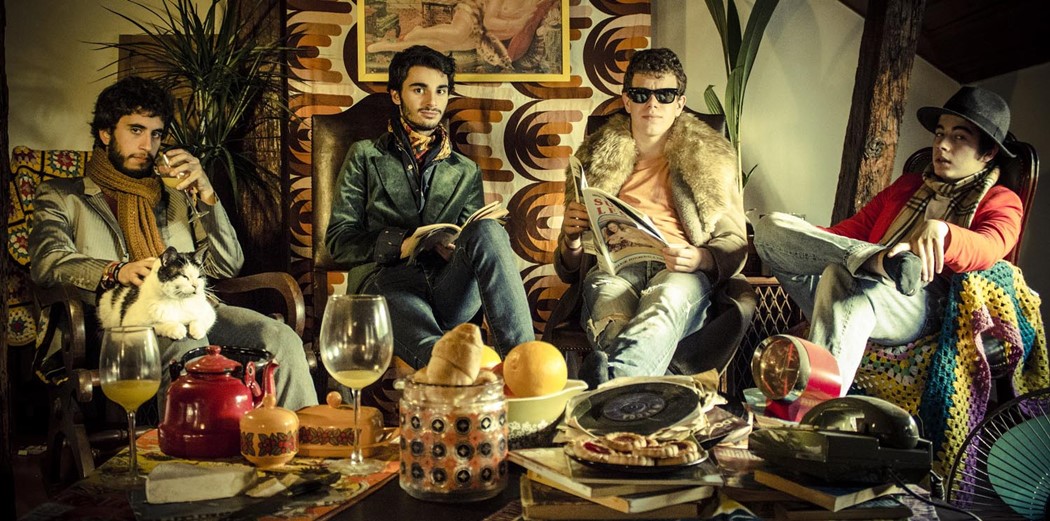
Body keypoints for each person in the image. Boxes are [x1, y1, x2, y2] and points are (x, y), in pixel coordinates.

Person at [29, 76, 317, 411]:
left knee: (281, 339)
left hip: (191, 309)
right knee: (185, 343)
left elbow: (226, 264)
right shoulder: (63, 195)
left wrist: (207, 194)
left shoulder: (174, 195)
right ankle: (195, 442)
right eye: (135, 130)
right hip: (113, 323)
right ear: (106, 133)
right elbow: (47, 262)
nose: (147, 145)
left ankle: (296, 440)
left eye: (156, 134)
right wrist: (115, 270)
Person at [753, 86, 1022, 393]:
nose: (942, 145)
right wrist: (795, 236)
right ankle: (881, 261)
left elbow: (991, 247)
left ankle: (815, 402)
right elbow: (843, 236)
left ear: (988, 153)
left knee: (842, 275)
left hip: (921, 302)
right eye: (939, 134)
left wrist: (945, 233)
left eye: (959, 137)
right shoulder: (907, 186)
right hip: (864, 278)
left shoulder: (1001, 200)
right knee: (770, 229)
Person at [325, 45, 535, 367]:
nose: (432, 101)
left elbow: (470, 238)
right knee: (442, 356)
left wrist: (453, 246)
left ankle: (526, 364)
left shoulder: (465, 170)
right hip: (387, 284)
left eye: (441, 90)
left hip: (447, 288)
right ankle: (458, 372)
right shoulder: (365, 156)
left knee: (489, 230)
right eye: (419, 89)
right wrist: (402, 244)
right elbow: (339, 242)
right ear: (396, 95)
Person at [554, 48, 747, 388]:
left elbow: (735, 243)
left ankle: (605, 391)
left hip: (678, 270)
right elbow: (569, 269)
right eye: (641, 95)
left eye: (665, 95)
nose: (652, 104)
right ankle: (635, 398)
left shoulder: (710, 158)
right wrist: (570, 239)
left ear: (680, 103)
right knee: (612, 322)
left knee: (663, 307)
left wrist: (701, 258)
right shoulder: (592, 159)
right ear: (627, 100)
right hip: (613, 269)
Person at [367, 0, 560, 69]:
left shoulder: (536, 5)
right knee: (457, 34)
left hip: (483, 34)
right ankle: (420, 32)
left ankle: (390, 46)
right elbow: (489, 20)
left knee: (440, 47)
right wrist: (514, 23)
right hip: (475, 11)